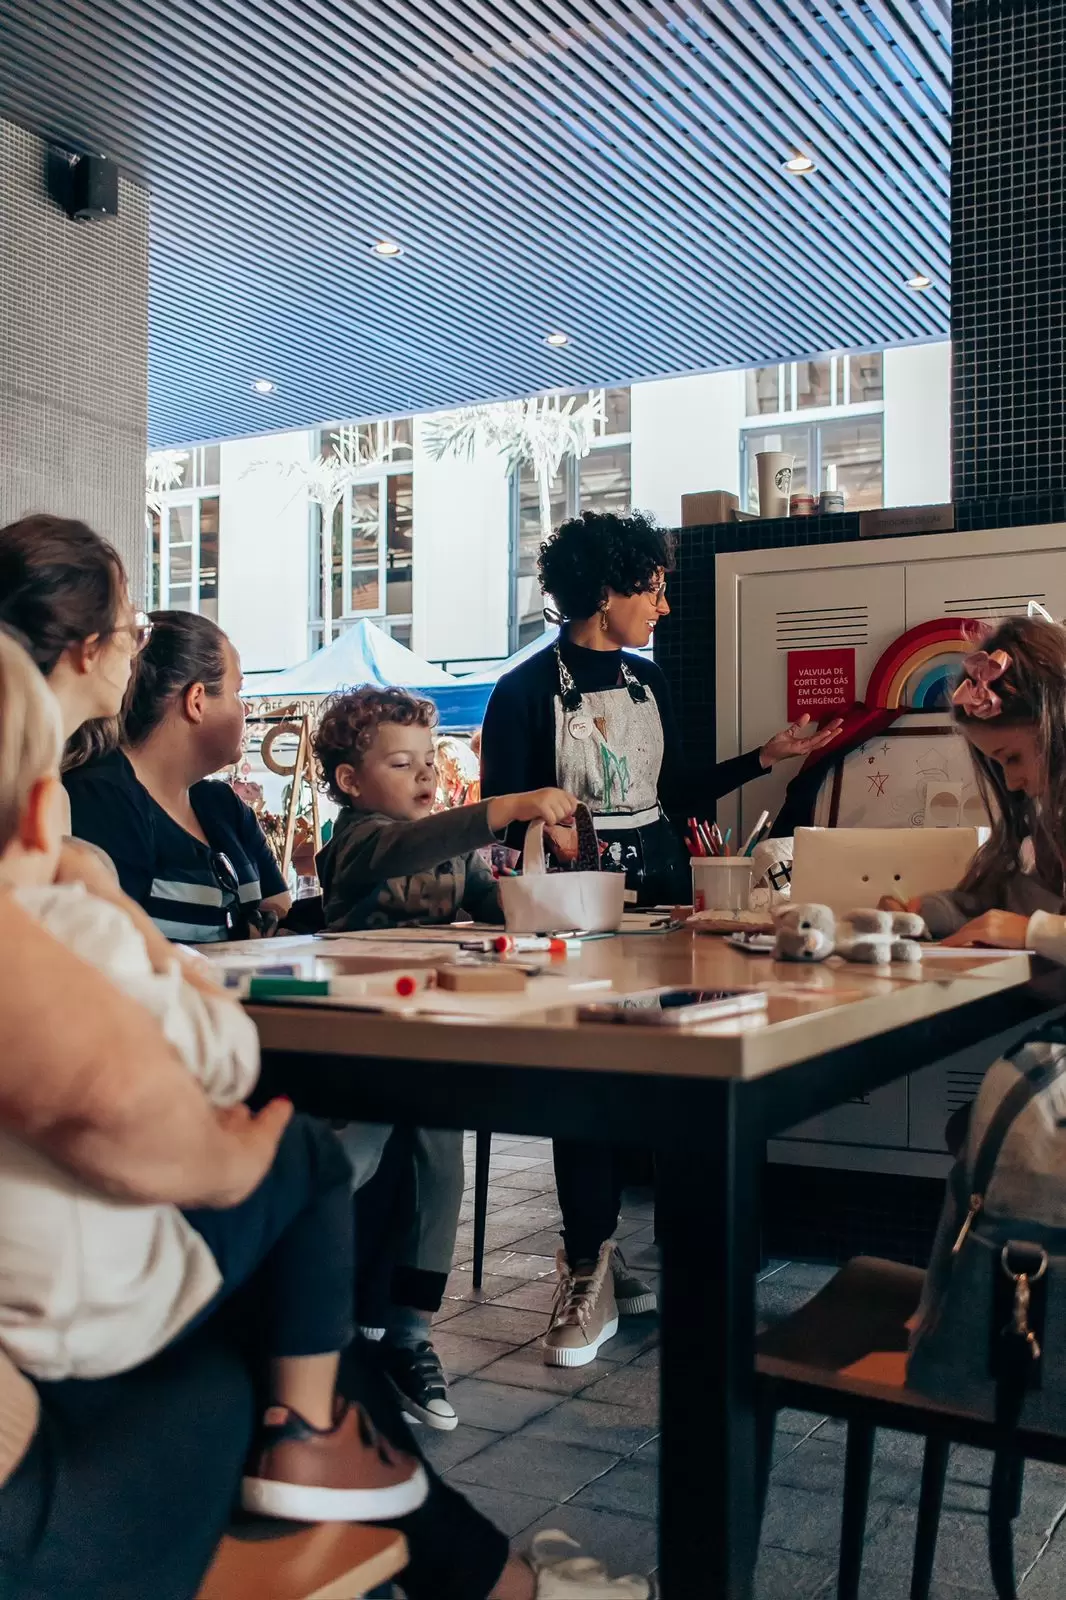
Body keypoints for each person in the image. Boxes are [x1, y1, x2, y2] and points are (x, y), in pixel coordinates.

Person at [0, 623, 428, 1521]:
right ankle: (331, 1438)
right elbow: (140, 1088)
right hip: (73, 1378)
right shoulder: (64, 916)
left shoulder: (226, 813)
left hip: (62, 1329)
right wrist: (224, 1156)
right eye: (236, 688)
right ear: (47, 817)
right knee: (304, 1165)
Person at [481, 509, 842, 1365]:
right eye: (654, 587)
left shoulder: (650, 683)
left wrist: (766, 757)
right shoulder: (525, 691)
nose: (664, 605)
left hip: (667, 892)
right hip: (574, 901)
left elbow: (677, 793)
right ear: (606, 593)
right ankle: (585, 1263)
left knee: (673, 1068)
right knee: (583, 1078)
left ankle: (627, 1261)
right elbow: (498, 826)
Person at [312, 686, 576, 1428]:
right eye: (404, 764)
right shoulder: (356, 842)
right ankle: (310, 1320)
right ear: (352, 783)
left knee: (442, 1168)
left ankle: (410, 1333)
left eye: (432, 761)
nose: (427, 776)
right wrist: (499, 809)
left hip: (429, 1040)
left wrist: (547, 883)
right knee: (348, 1163)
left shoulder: (452, 851)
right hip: (361, 1044)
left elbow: (507, 904)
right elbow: (408, 847)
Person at [64, 609, 291, 941]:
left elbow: (281, 908)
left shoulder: (222, 806)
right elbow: (115, 948)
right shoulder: (102, 801)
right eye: (237, 692)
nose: (246, 709)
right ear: (196, 701)